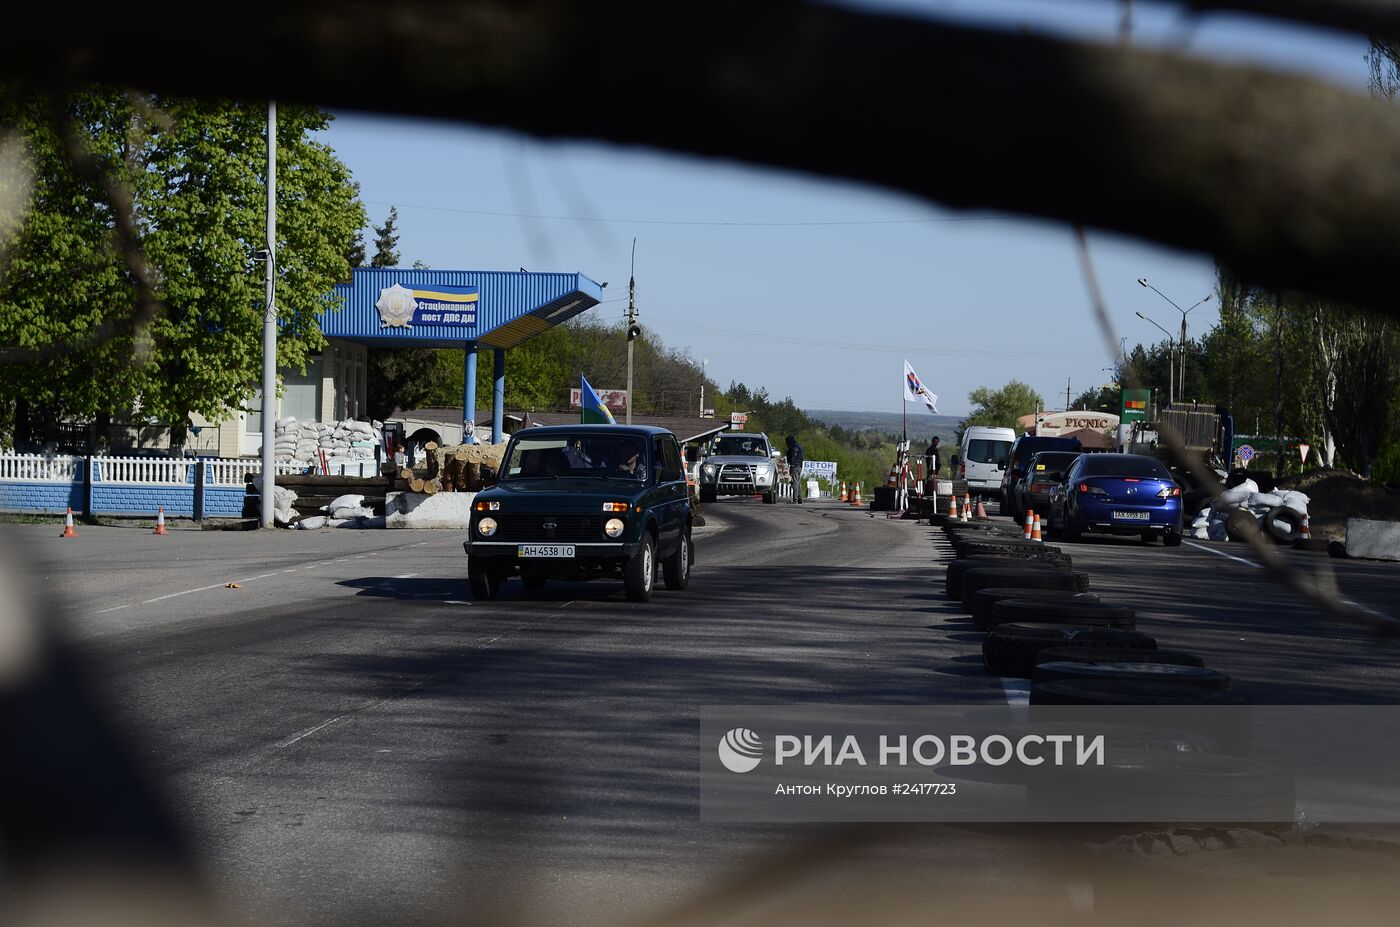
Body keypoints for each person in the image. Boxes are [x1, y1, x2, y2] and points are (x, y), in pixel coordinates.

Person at [785, 435, 805, 503]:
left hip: (795, 466)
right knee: (798, 482)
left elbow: (793, 458)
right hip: (799, 466)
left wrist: (792, 466)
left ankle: (795, 499)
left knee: (795, 483)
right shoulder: (798, 446)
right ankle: (799, 498)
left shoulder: (794, 448)